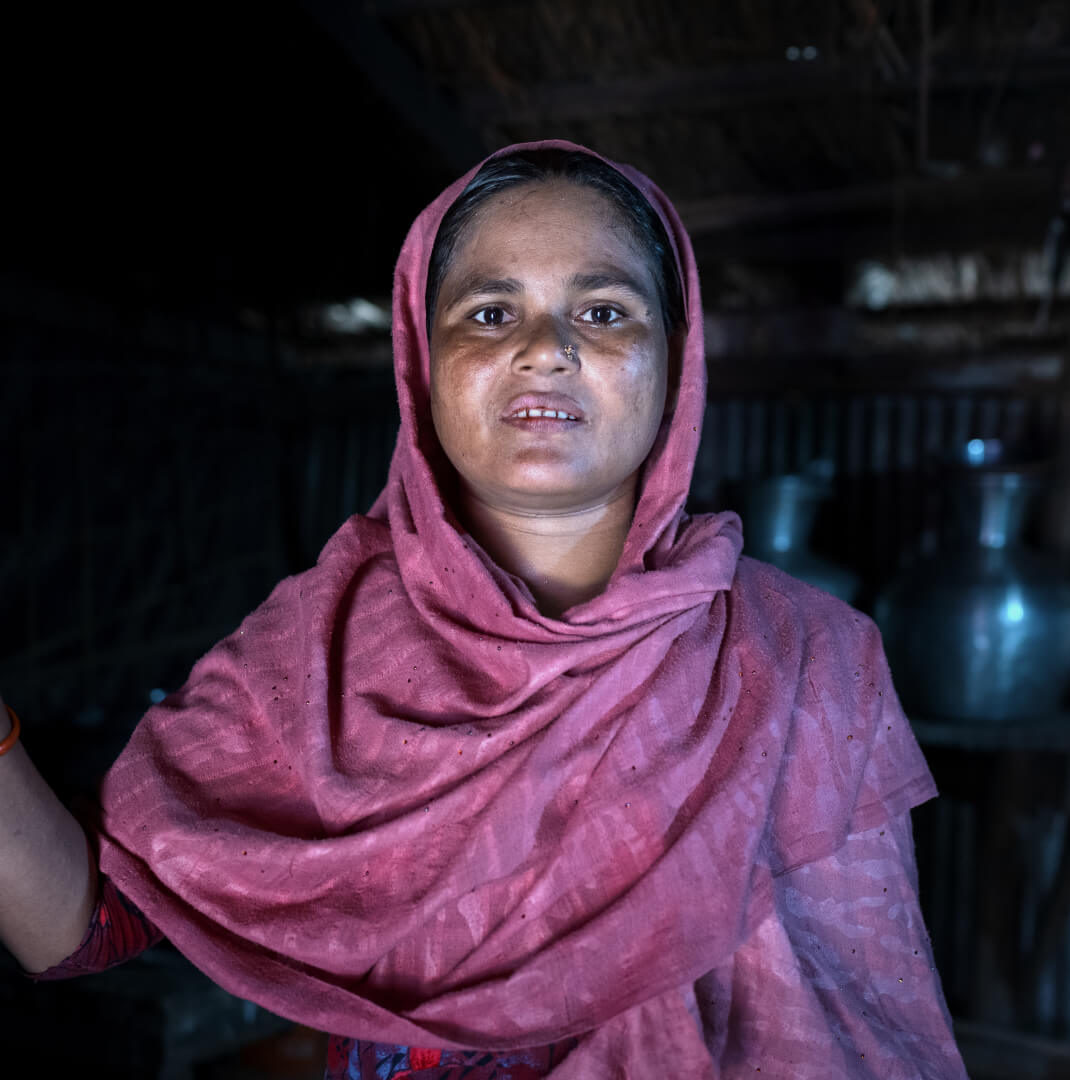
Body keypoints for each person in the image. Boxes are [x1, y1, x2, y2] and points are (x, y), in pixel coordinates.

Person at [0, 140, 969, 1078]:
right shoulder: (314, 653)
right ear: (424, 363)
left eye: (601, 309)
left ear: (674, 360)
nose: (546, 349)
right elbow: (85, 926)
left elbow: (847, 1022)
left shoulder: (805, 657)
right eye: (491, 313)